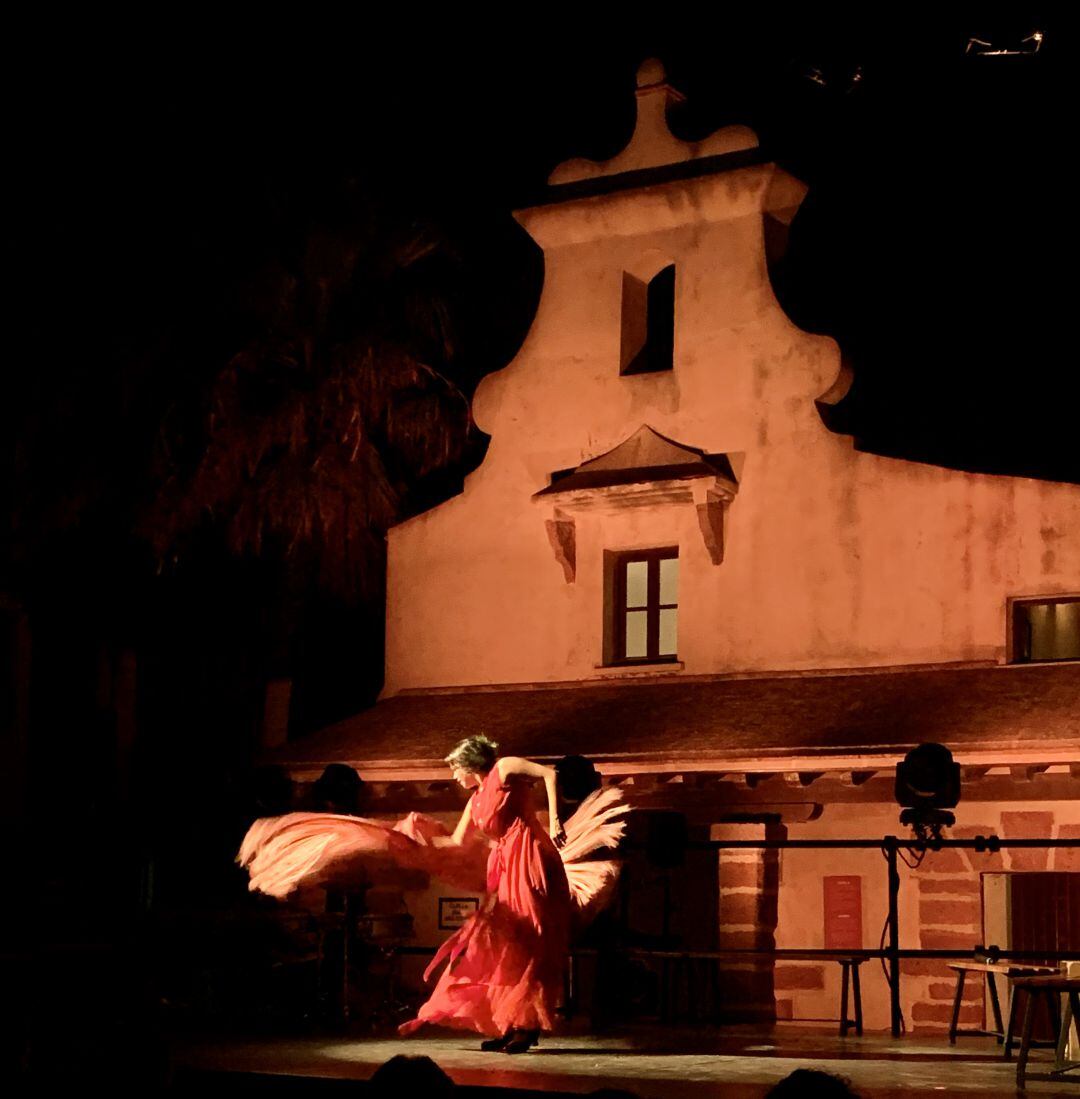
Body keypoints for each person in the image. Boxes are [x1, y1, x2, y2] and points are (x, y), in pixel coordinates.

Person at [398, 735, 571, 1053]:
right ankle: (510, 1024)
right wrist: (412, 843)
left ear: (470, 764)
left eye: (455, 769)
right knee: (505, 942)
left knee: (530, 937)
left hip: (530, 856)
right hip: (505, 866)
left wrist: (556, 820)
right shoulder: (475, 800)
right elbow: (456, 841)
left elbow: (550, 773)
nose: (453, 776)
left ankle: (527, 1026)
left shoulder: (503, 768)